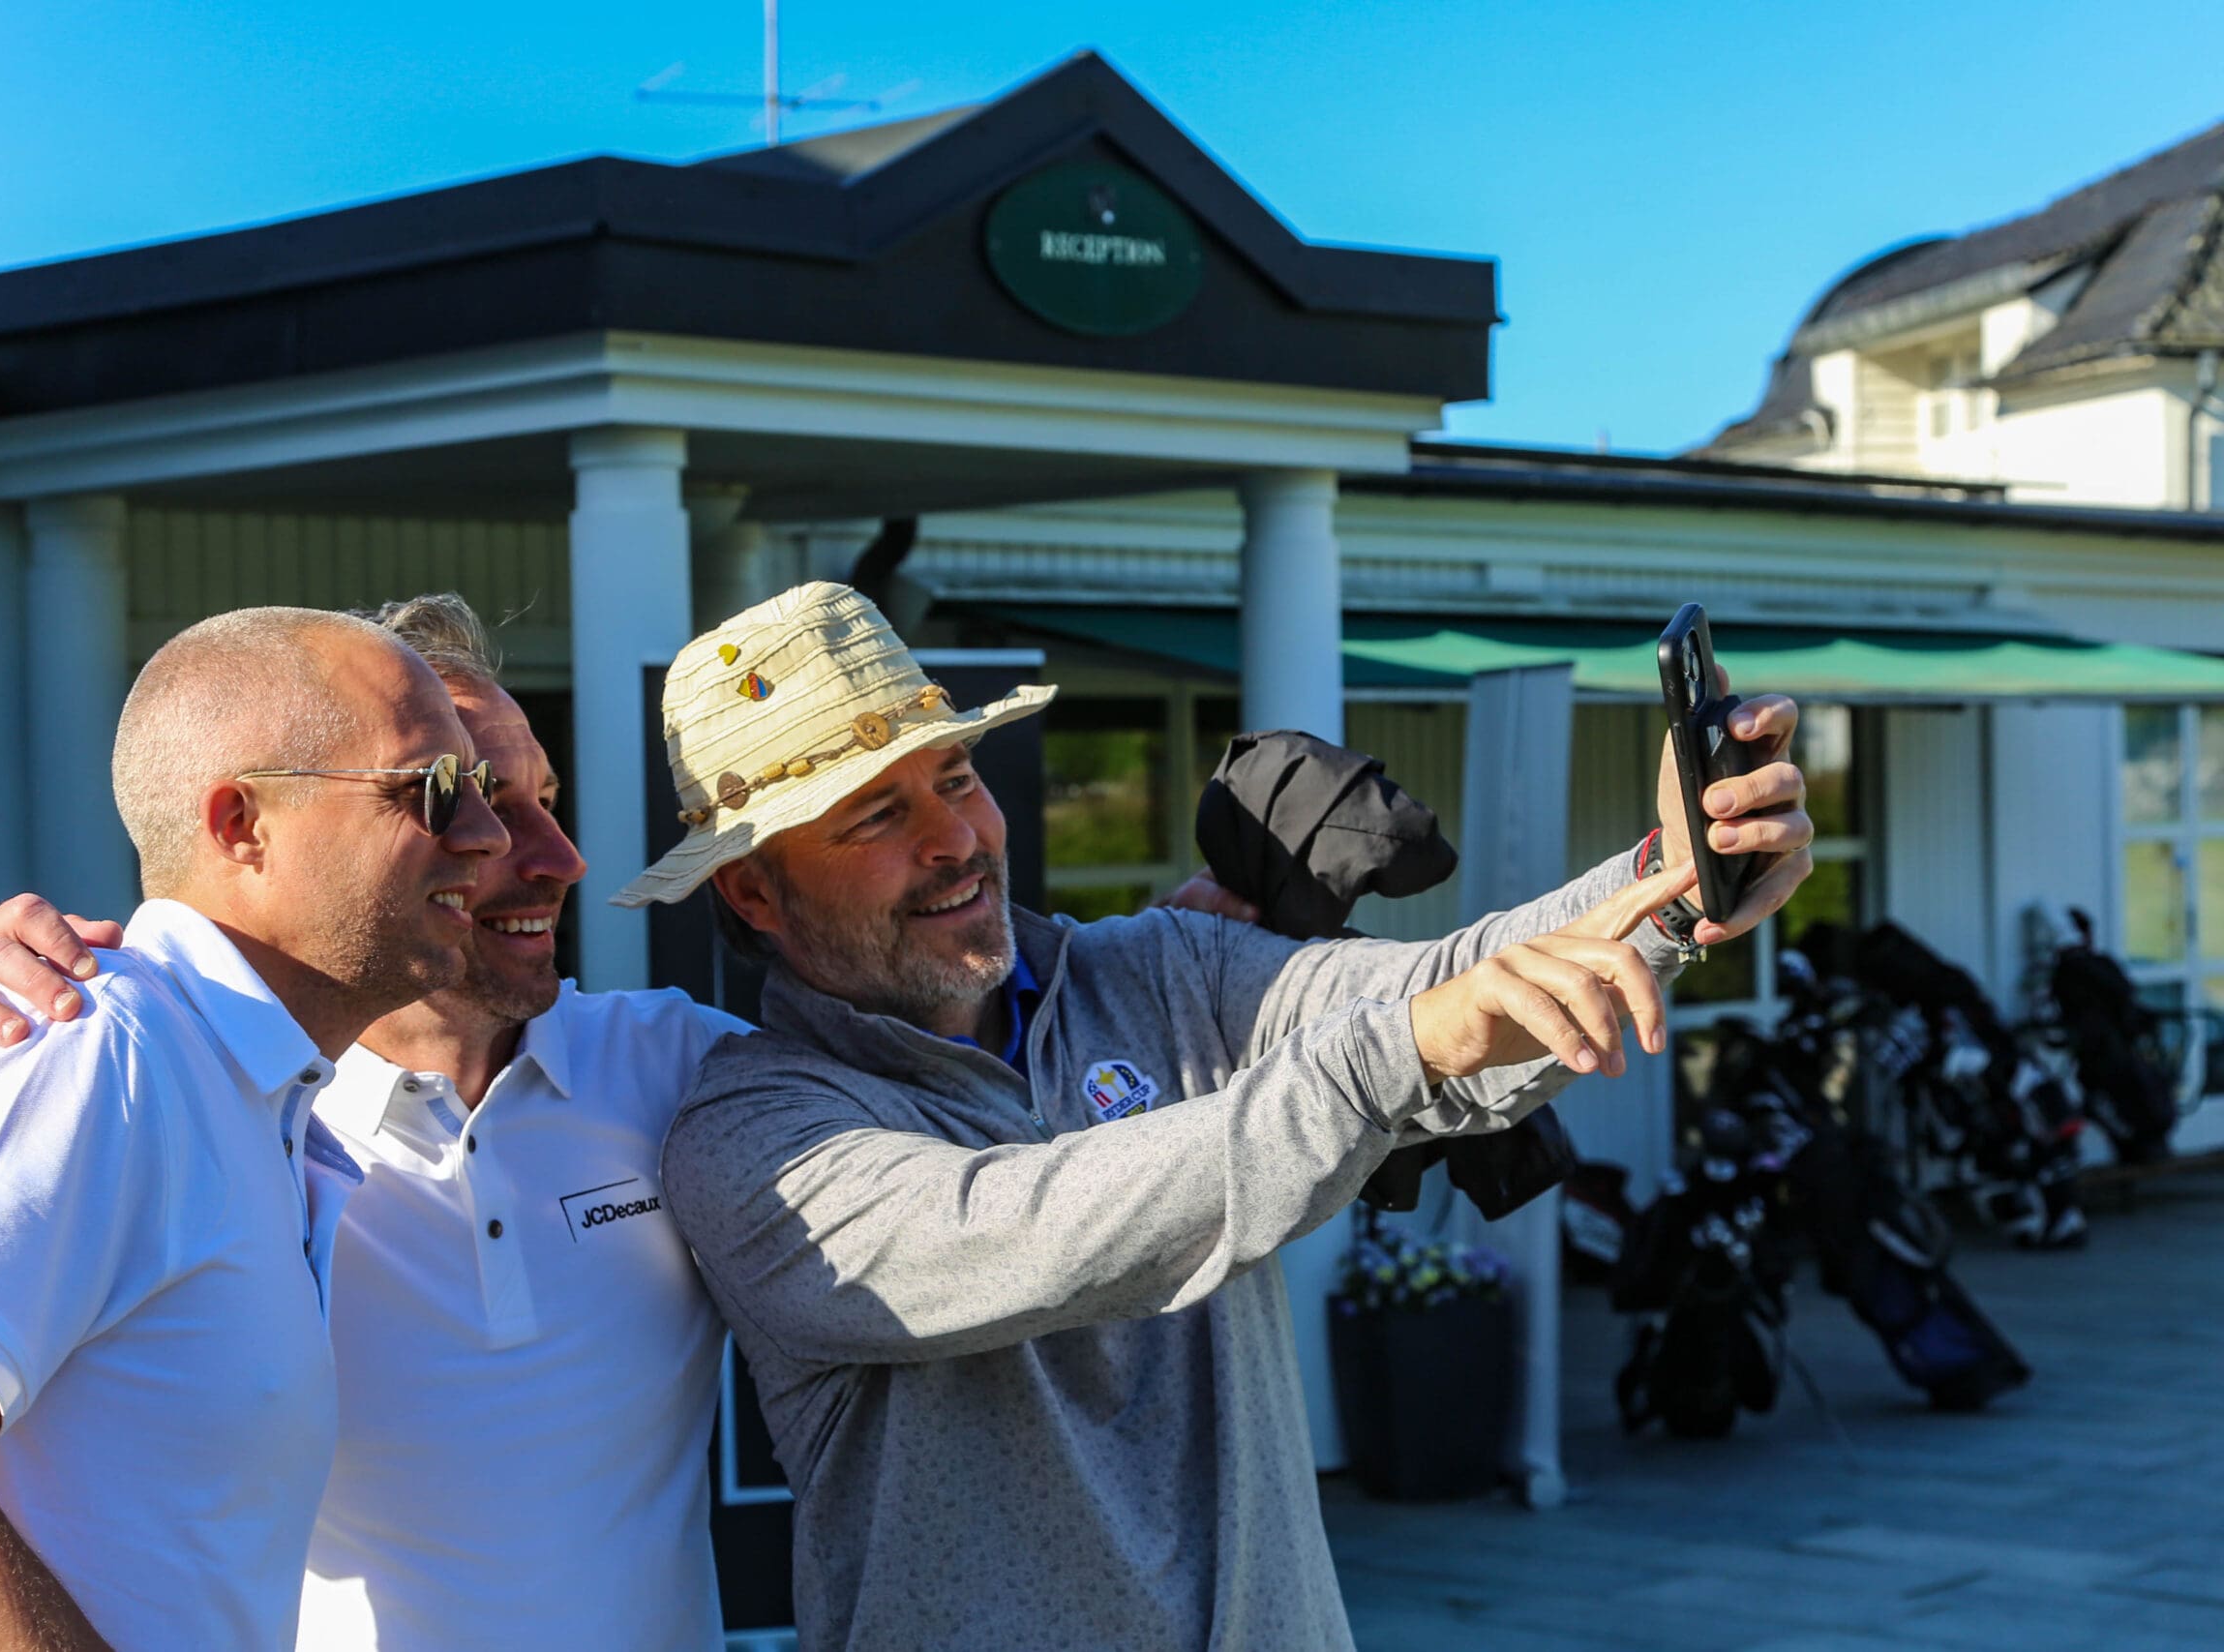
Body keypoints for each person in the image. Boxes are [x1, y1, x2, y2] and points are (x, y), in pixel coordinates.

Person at [617, 581, 1816, 1652]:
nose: (955, 841)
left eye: (956, 780)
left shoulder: (1156, 969)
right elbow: (1037, 1230)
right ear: (752, 889)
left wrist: (1673, 881)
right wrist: (1390, 1057)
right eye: (874, 817)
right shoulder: (752, 1141)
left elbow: (1440, 990)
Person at [0, 596, 754, 1651]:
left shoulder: (259, 1102)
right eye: (435, 790)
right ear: (241, 825)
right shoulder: (87, 1042)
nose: (496, 838)